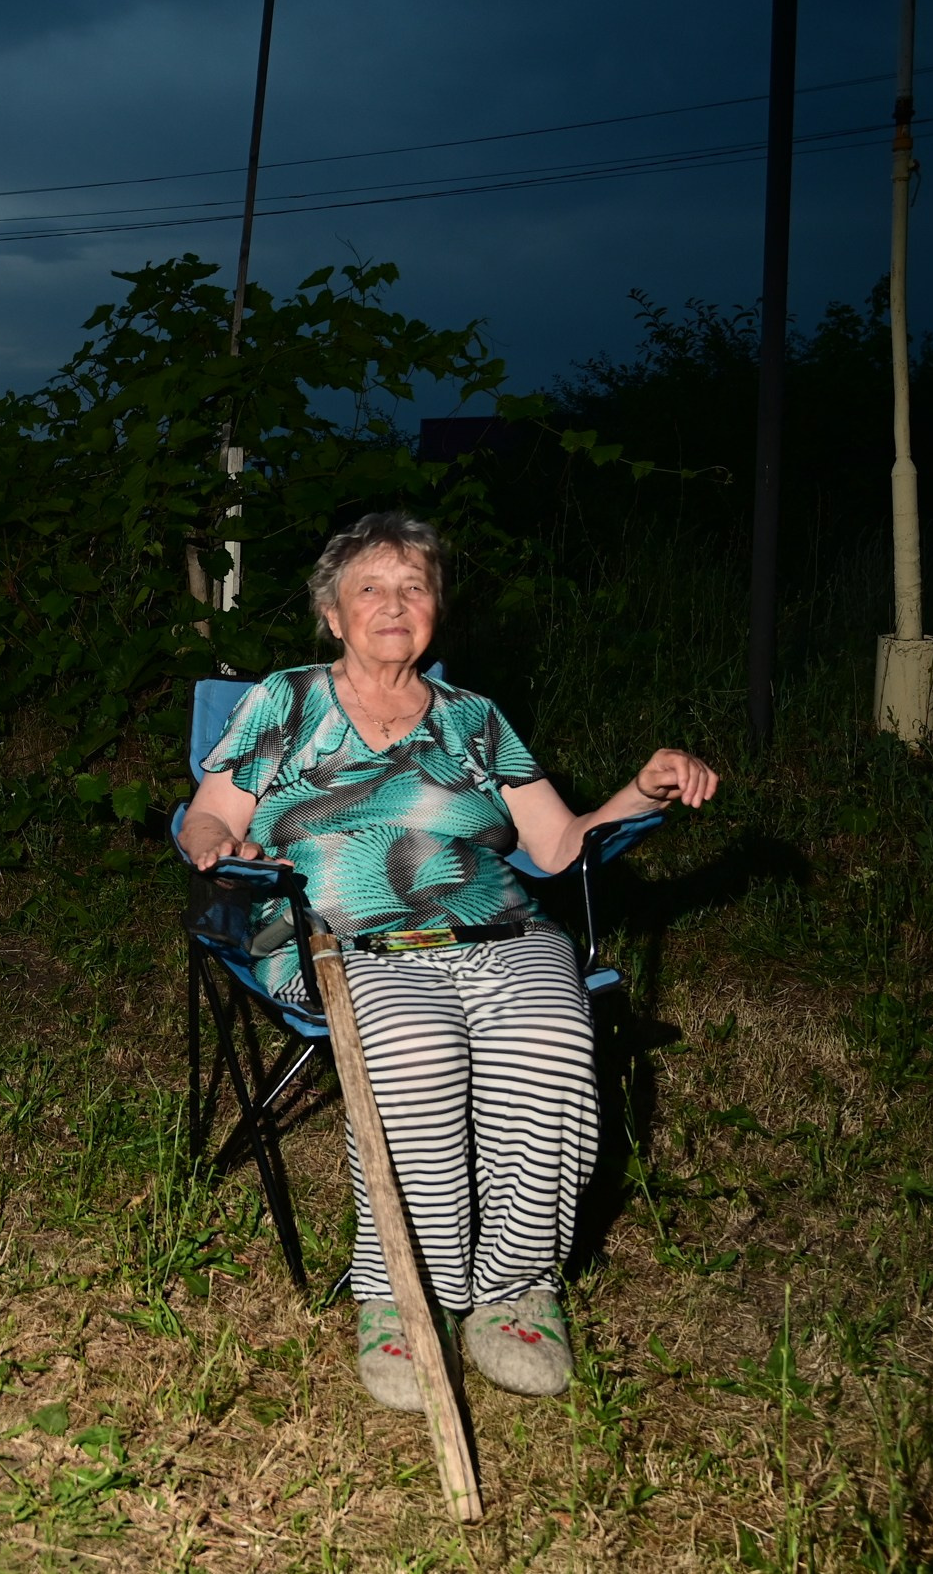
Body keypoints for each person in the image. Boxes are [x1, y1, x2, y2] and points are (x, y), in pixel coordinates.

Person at [178, 511, 717, 1410]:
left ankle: (515, 1291)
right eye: (371, 589)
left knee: (551, 1033)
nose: (395, 605)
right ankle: (401, 1291)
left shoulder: (474, 717)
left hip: (496, 928)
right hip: (341, 936)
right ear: (333, 613)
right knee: (417, 1050)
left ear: (435, 611)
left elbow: (557, 846)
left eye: (414, 587)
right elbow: (209, 814)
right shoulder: (287, 699)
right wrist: (210, 846)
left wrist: (641, 786)